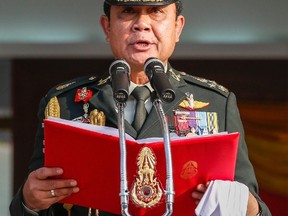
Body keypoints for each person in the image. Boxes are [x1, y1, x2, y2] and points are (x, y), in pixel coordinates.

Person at [10, 0, 271, 215]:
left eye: (156, 12)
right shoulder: (64, 103)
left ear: (178, 28)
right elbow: (35, 202)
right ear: (107, 27)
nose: (142, 24)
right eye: (127, 12)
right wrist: (30, 201)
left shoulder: (217, 103)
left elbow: (255, 208)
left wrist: (243, 205)